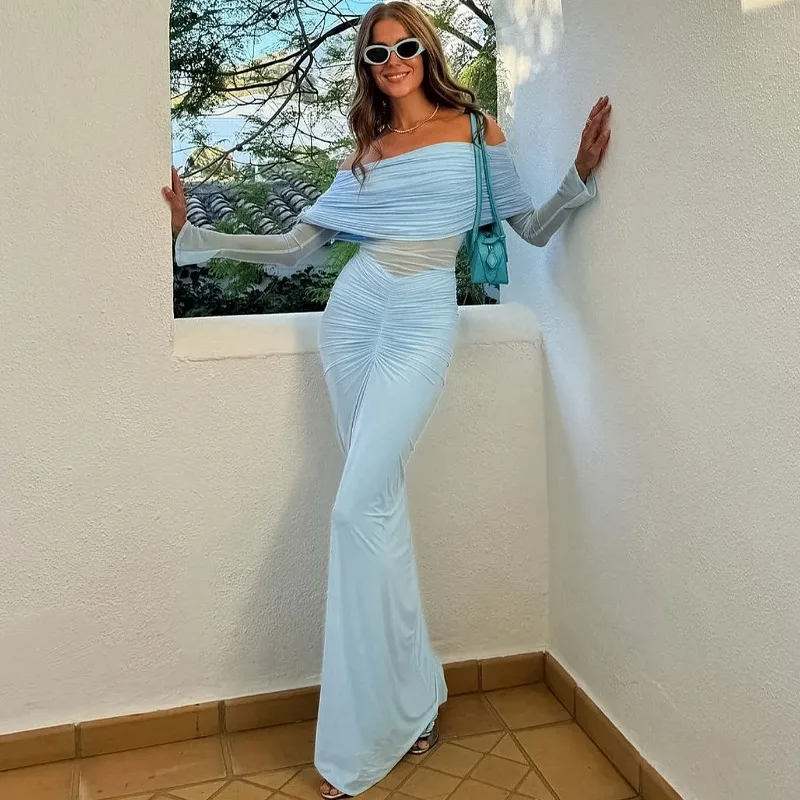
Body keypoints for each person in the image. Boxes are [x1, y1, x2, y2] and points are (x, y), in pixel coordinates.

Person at [163, 3, 611, 796]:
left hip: (422, 318)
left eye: (405, 46)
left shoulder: (475, 131)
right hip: (355, 314)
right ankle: (414, 698)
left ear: (425, 52)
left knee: (353, 510)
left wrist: (579, 175)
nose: (394, 60)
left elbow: (531, 231)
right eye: (378, 53)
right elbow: (297, 249)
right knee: (378, 509)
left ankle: (366, 737)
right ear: (367, 68)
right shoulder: (366, 153)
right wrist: (192, 234)